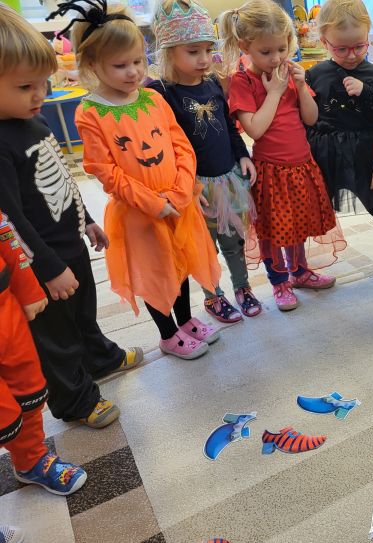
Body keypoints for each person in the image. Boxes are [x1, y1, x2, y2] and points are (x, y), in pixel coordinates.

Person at [0, 5, 137, 429]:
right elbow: (10, 220)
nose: (39, 94)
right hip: (42, 262)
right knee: (56, 337)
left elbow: (60, 178)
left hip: (70, 243)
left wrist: (86, 220)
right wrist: (47, 268)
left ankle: (99, 357)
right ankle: (75, 399)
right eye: (25, 86)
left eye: (44, 82)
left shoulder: (33, 119)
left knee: (83, 313)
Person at [62, 0, 222, 359]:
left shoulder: (153, 98)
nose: (133, 72)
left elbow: (181, 146)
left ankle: (185, 320)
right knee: (155, 273)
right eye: (120, 65)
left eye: (137, 61)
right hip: (140, 213)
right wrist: (154, 203)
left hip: (177, 201)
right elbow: (105, 171)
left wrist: (182, 190)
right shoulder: (89, 113)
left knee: (180, 265)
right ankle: (168, 334)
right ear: (92, 64)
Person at [219, 0, 345, 312]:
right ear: (244, 46)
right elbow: (255, 129)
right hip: (271, 171)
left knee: (298, 223)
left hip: (301, 164)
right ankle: (279, 282)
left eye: (282, 48)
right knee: (274, 231)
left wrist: (300, 87)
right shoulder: (243, 80)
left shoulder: (288, 73)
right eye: (266, 52)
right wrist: (274, 92)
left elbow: (311, 118)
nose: (276, 58)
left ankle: (299, 272)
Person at [150, 0, 262, 324]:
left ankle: (242, 287)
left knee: (233, 240)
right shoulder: (162, 93)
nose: (204, 59)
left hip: (227, 179)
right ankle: (214, 296)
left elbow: (229, 125)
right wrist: (184, 187)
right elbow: (166, 147)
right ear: (169, 51)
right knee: (204, 247)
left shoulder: (212, 84)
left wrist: (242, 155)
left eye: (207, 50)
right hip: (194, 187)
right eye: (193, 52)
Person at [0, 212, 86, 499]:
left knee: (29, 387)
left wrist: (27, 287)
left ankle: (31, 460)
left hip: (5, 309)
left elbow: (4, 232)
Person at [306, 0, 373, 234]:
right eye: (341, 49)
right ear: (324, 42)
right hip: (325, 152)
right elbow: (306, 116)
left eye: (359, 47)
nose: (352, 55)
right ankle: (298, 255)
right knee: (315, 206)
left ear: (367, 38)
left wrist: (366, 91)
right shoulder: (315, 75)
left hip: (365, 152)